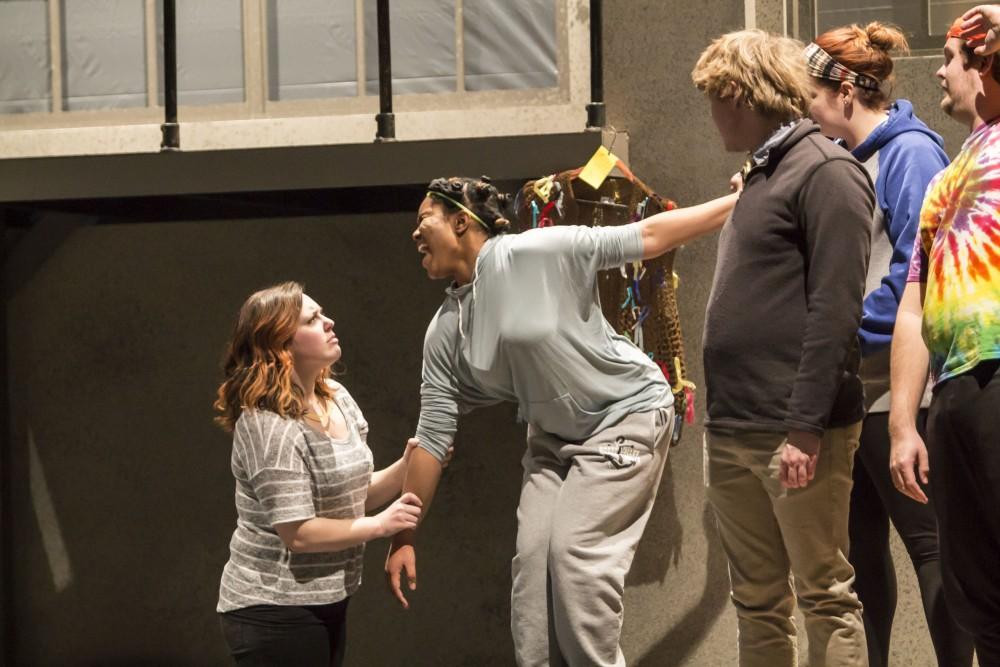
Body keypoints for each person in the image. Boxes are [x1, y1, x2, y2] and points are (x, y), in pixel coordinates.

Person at [384, 175, 738, 666]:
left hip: (625, 414)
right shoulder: (446, 330)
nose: (414, 234)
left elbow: (650, 236)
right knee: (532, 578)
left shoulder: (535, 252)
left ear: (461, 222)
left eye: (424, 220)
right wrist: (404, 536)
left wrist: (743, 200)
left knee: (577, 561)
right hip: (554, 441)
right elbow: (431, 439)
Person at [693, 30, 874, 666]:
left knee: (824, 593)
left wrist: (803, 427)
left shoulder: (825, 170)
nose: (711, 115)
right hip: (735, 426)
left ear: (738, 94)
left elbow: (835, 308)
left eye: (713, 100)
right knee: (757, 600)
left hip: (793, 433)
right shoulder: (763, 174)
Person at [805, 22, 972, 667]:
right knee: (859, 556)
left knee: (933, 550)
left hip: (896, 387)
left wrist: (839, 333)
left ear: (845, 91)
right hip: (850, 390)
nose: (806, 111)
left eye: (811, 97)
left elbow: (917, 271)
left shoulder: (908, 154)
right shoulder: (844, 159)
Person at [213, 282, 431, 666]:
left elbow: (350, 500)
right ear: (281, 345)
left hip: (327, 598)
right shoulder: (267, 424)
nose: (329, 322)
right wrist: (380, 526)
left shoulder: (335, 396)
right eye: (313, 319)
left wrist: (405, 466)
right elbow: (299, 533)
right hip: (272, 607)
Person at [889, 17, 1000, 665]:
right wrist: (904, 420)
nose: (939, 68)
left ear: (985, 67)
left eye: (953, 56)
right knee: (976, 592)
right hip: (954, 392)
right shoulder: (943, 180)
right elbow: (912, 308)